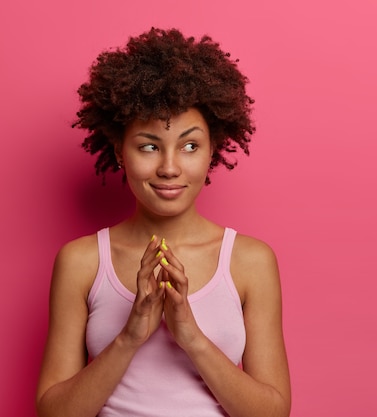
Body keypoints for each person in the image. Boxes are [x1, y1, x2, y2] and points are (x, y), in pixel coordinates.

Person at [36, 28, 290, 417]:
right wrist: (129, 336)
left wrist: (191, 336)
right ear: (120, 150)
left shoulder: (250, 261)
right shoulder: (82, 261)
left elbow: (272, 413)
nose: (169, 168)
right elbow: (53, 412)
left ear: (212, 151)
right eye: (149, 146)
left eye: (190, 146)